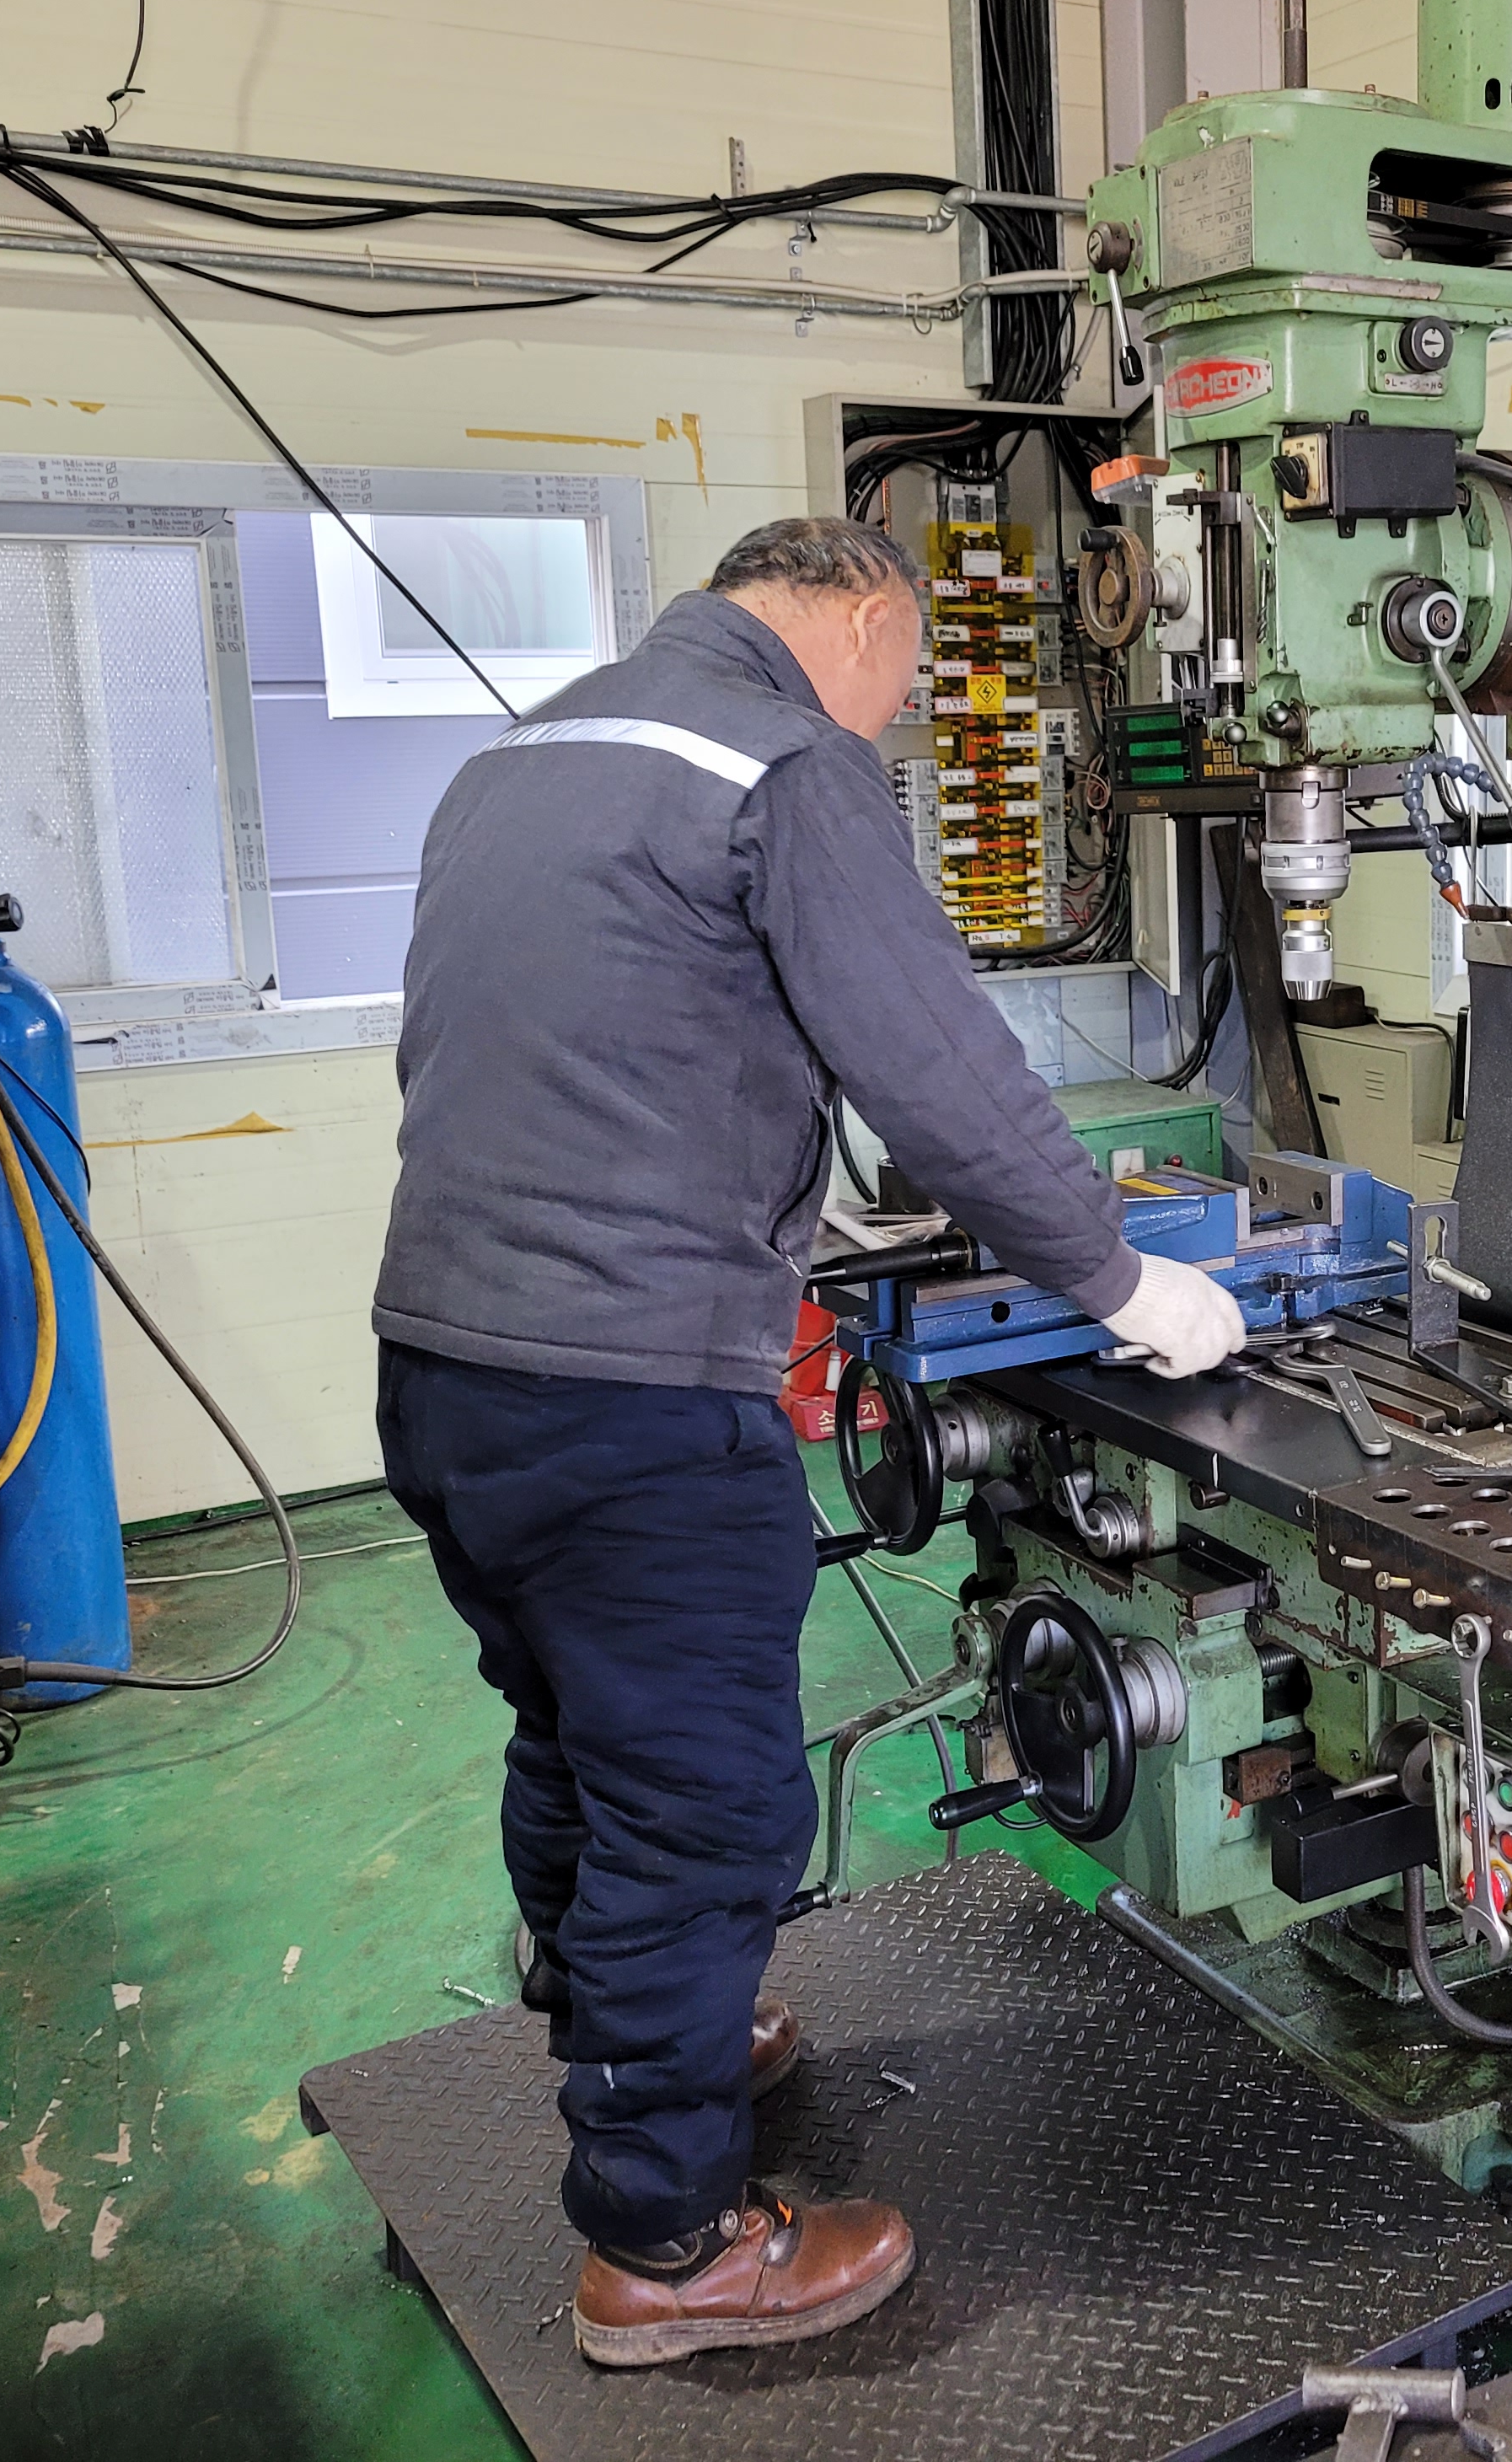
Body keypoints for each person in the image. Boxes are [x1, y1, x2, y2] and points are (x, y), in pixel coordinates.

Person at [369, 515, 1246, 2365]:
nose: (898, 719)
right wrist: (1121, 1282)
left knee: (581, 1737)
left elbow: (505, 1057)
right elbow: (940, 1074)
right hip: (630, 1395)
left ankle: (646, 2044)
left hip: (445, 1364)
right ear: (854, 617)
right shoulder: (781, 763)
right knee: (706, 1806)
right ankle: (669, 2249)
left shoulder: (522, 757)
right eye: (905, 678)